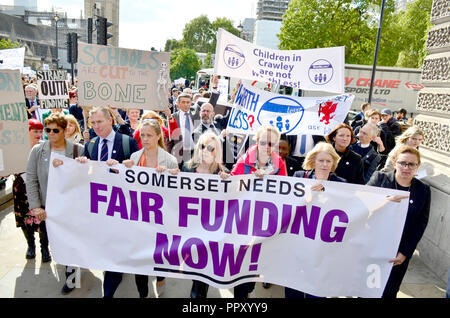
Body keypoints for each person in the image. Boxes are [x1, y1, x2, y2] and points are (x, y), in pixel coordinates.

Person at [78, 106, 139, 298]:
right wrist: (80, 165)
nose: (96, 126)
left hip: (122, 207)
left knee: (114, 249)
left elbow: (139, 176)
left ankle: (109, 291)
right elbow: (86, 177)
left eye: (99, 121)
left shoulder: (128, 142)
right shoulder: (90, 145)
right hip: (99, 208)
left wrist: (124, 166)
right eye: (92, 123)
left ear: (110, 120)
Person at [25, 113, 84, 294]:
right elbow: (32, 179)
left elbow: (86, 180)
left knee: (72, 243)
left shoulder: (78, 150)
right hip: (48, 209)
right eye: (47, 130)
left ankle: (72, 277)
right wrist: (36, 206)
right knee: (57, 242)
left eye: (55, 130)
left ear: (64, 130)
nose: (50, 133)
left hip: (72, 208)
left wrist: (80, 165)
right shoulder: (37, 151)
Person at [122, 119, 178, 298]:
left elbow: (176, 194)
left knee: (159, 257)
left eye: (149, 135)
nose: (145, 139)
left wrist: (172, 175)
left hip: (160, 221)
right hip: (138, 219)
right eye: (143, 135)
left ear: (158, 136)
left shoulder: (170, 160)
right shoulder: (134, 158)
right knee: (140, 262)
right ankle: (143, 294)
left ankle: (161, 278)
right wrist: (122, 169)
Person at [231, 124, 287, 298]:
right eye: (263, 142)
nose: (266, 147)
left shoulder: (279, 164)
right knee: (240, 263)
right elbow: (232, 185)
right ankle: (241, 295)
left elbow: (285, 192)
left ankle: (249, 289)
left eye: (271, 144)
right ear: (256, 140)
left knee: (255, 261)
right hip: (243, 219)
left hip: (264, 221)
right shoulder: (244, 160)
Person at [367, 145, 430, 298]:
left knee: (389, 291)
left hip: (398, 253)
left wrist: (405, 253)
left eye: (411, 164)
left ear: (418, 166)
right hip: (373, 247)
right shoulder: (379, 179)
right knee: (368, 289)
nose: (406, 167)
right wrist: (384, 202)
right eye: (402, 163)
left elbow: (420, 225)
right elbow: (363, 207)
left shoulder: (423, 190)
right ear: (394, 163)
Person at [286, 142, 346, 298]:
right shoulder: (299, 177)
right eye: (321, 160)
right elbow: (290, 206)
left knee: (317, 290)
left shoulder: (341, 184)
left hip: (323, 246)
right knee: (294, 287)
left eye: (328, 161)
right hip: (299, 241)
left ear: (333, 162)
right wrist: (308, 195)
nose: (325, 164)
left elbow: (345, 212)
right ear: (313, 161)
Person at [174, 131, 229, 298]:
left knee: (202, 269)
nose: (206, 150)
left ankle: (198, 293)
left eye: (211, 148)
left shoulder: (222, 173)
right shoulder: (186, 168)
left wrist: (228, 183)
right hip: (189, 225)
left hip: (210, 228)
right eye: (203, 146)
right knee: (191, 262)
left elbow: (231, 200)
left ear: (217, 151)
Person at [13, 119, 44, 260]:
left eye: (40, 131)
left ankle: (45, 248)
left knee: (42, 219)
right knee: (25, 218)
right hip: (21, 188)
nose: (38, 134)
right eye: (35, 131)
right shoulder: (16, 149)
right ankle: (31, 246)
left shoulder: (45, 147)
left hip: (39, 188)